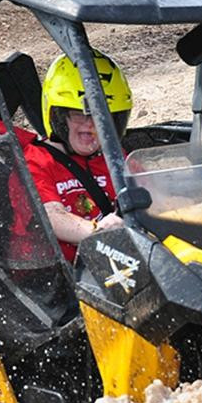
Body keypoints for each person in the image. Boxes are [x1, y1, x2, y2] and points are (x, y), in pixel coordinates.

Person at [25, 49, 132, 261]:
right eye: (79, 114)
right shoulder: (37, 159)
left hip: (113, 263)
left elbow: (151, 198)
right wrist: (99, 232)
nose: (90, 124)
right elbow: (50, 216)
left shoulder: (113, 156)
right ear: (59, 117)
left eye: (102, 117)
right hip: (61, 271)